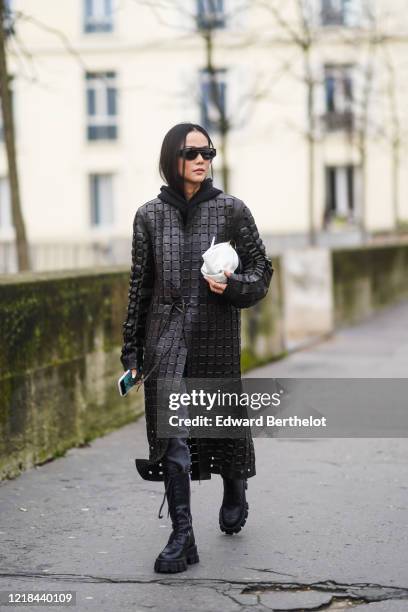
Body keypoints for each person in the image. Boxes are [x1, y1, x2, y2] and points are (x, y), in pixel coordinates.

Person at [120, 122, 273, 574]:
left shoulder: (232, 210)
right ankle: (182, 534)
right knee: (173, 435)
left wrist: (231, 285)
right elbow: (139, 289)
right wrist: (131, 353)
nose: (202, 159)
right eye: (193, 153)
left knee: (222, 423)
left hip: (215, 334)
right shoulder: (148, 216)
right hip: (164, 336)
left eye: (208, 152)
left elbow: (262, 271)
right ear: (173, 159)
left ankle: (234, 484)